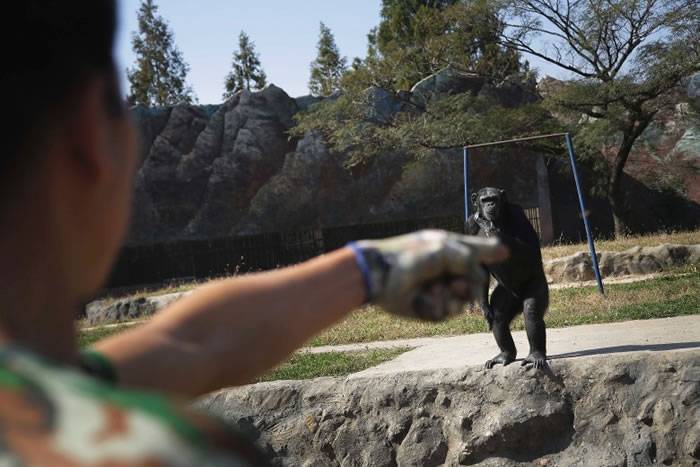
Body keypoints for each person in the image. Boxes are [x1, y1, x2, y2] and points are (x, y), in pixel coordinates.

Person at [0, 1, 507, 465]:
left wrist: (366, 268)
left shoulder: (37, 389)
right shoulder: (160, 452)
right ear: (90, 135)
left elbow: (190, 344)